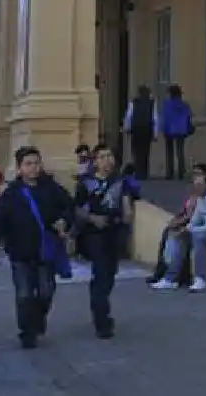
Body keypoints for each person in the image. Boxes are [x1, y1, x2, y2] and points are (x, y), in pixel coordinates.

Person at [0, 146, 74, 349]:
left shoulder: (51, 188)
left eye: (36, 163)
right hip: (20, 253)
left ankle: (38, 319)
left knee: (46, 291)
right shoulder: (11, 194)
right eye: (28, 164)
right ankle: (27, 331)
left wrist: (63, 221)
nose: (33, 168)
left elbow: (69, 207)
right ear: (19, 168)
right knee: (24, 294)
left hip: (44, 251)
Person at [74, 144, 133, 339]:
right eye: (102, 157)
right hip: (94, 233)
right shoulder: (86, 183)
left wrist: (127, 214)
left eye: (109, 156)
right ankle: (102, 320)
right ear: (95, 161)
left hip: (115, 231)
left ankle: (98, 300)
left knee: (110, 272)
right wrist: (92, 219)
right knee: (100, 271)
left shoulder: (120, 181)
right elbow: (77, 209)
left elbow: (126, 201)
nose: (107, 160)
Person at [151, 163, 206, 293]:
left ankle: (200, 279)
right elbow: (195, 220)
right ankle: (170, 279)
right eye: (195, 184)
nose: (196, 188)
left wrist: (193, 231)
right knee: (182, 236)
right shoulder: (200, 199)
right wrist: (186, 230)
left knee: (198, 237)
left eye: (199, 184)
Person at [147, 162, 206, 286]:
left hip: (198, 225)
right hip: (189, 222)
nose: (195, 177)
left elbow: (193, 216)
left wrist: (180, 222)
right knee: (167, 232)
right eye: (194, 174)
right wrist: (175, 220)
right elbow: (184, 211)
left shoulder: (204, 195)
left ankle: (177, 275)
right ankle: (161, 271)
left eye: (198, 174)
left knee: (179, 236)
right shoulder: (192, 194)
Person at [123, 86, 158, 180]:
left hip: (136, 128)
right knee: (145, 151)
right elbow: (155, 118)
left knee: (136, 151)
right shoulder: (152, 103)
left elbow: (129, 116)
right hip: (147, 129)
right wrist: (155, 133)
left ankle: (138, 171)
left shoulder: (134, 102)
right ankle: (144, 172)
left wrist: (127, 127)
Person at [161, 84, 194, 181]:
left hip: (169, 129)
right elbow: (189, 116)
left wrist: (163, 129)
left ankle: (169, 172)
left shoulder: (167, 104)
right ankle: (181, 172)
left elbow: (165, 117)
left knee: (169, 152)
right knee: (180, 151)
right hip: (181, 129)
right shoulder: (184, 104)